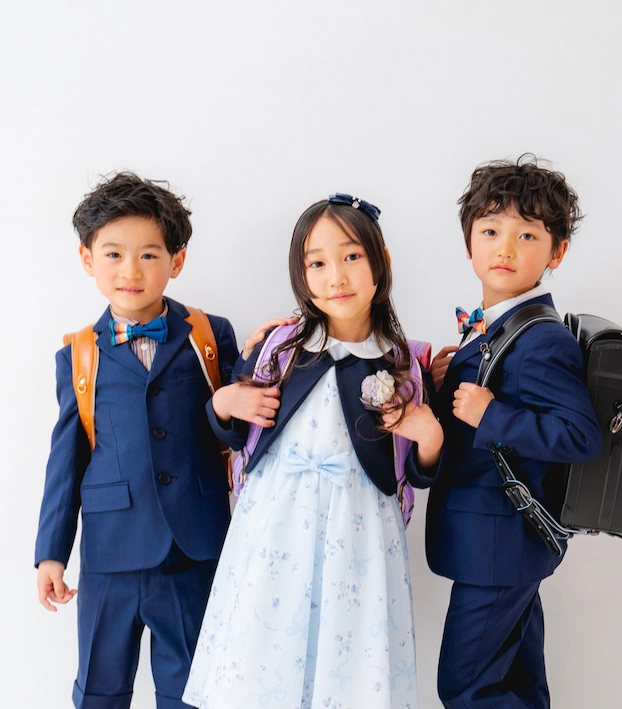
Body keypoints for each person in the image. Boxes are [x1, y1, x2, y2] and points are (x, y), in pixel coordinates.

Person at [182, 194, 444, 709]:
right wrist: (223, 403)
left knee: (346, 650)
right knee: (267, 644)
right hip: (277, 526)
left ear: (381, 262)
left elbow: (416, 469)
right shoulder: (280, 347)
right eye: (317, 263)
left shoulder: (402, 364)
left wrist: (431, 438)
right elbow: (237, 434)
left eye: (351, 257)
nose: (336, 277)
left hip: (359, 529)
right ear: (301, 276)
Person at [35, 172, 239, 709]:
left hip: (194, 546)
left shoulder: (210, 335)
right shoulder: (78, 354)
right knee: (99, 689)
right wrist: (51, 553)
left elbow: (239, 432)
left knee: (191, 691)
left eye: (149, 255)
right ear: (87, 259)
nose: (131, 271)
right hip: (110, 554)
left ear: (177, 261)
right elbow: (66, 458)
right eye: (114, 254)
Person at [426, 157, 603, 708]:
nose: (505, 248)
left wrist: (491, 415)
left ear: (556, 252)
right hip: (503, 547)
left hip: (499, 547)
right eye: (490, 231)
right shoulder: (497, 327)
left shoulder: (541, 339)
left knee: (467, 687)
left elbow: (581, 436)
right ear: (468, 243)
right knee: (518, 684)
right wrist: (443, 386)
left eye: (527, 235)